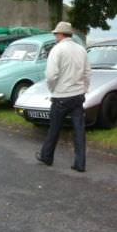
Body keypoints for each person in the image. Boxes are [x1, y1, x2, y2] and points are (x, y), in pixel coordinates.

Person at [35, 21, 90, 172]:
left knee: (54, 128)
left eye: (55, 34)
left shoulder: (57, 50)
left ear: (60, 34)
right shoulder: (81, 49)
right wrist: (84, 89)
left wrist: (53, 90)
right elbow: (87, 73)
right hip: (78, 95)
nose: (55, 36)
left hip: (61, 96)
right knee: (79, 130)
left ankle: (47, 156)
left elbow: (51, 75)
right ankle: (80, 163)